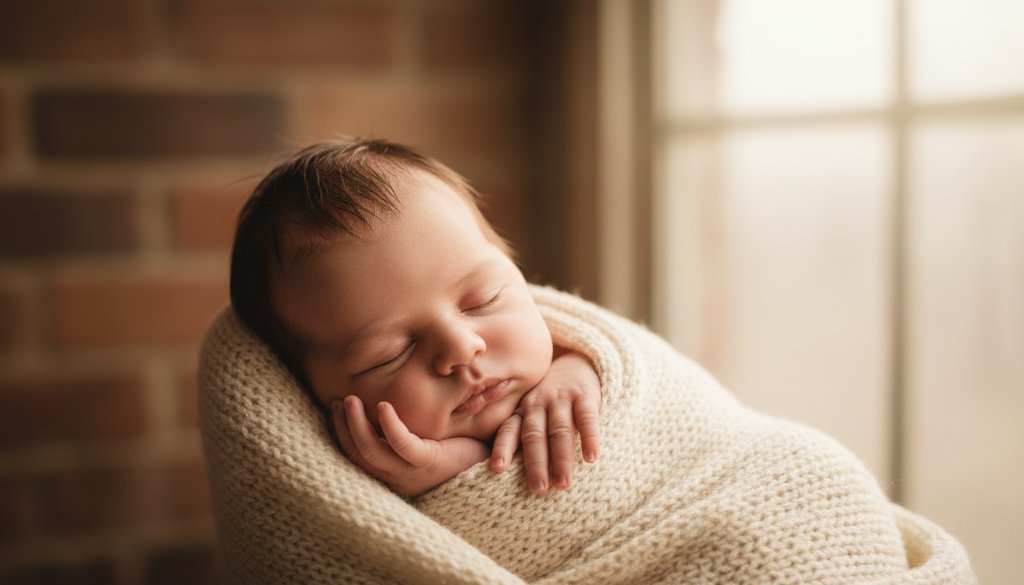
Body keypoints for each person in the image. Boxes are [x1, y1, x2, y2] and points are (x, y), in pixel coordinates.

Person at [229, 137, 602, 496]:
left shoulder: (569, 366)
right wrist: (452, 471)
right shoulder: (334, 475)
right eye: (390, 354)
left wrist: (577, 369)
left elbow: (628, 364)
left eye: (482, 300)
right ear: (311, 395)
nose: (461, 348)